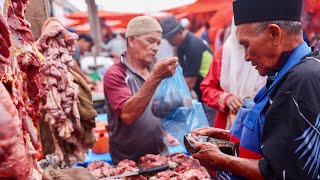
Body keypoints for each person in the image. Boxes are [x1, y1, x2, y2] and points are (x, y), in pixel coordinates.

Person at [191, 0, 320, 179]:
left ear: (274, 34)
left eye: (246, 44)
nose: (245, 57)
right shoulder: (300, 68)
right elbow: (283, 142)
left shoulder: (300, 81)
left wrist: (221, 160)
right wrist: (229, 137)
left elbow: (281, 173)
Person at [103, 16, 179, 164]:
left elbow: (166, 108)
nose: (156, 47)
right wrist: (156, 78)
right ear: (131, 40)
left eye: (158, 43)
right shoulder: (116, 73)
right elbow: (128, 114)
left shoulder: (157, 68)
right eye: (150, 41)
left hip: (160, 155)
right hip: (129, 162)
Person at [200, 18, 266, 129]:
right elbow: (206, 89)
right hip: (227, 125)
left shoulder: (268, 53)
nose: (247, 56)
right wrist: (227, 99)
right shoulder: (224, 54)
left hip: (260, 127)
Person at [159, 16, 216, 124]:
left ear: (178, 32)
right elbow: (179, 69)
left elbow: (189, 82)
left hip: (211, 95)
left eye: (170, 38)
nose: (169, 42)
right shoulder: (180, 45)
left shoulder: (193, 45)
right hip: (202, 93)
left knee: (209, 130)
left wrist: (173, 104)